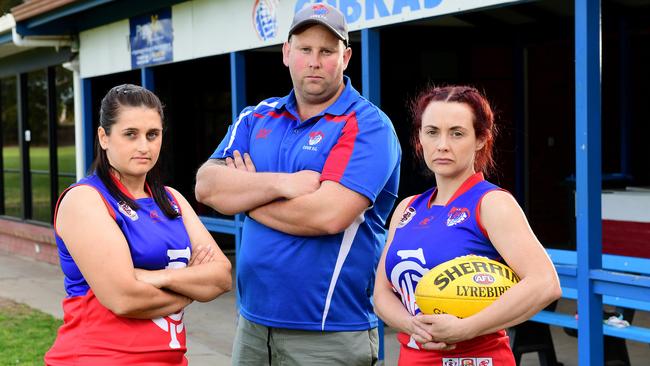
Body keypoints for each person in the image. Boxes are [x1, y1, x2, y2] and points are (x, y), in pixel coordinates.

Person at [195, 4, 401, 365]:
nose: (314, 61)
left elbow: (327, 216)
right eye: (305, 49)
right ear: (287, 53)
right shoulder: (256, 116)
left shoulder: (367, 125)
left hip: (329, 332)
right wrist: (285, 184)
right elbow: (207, 187)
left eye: (327, 51)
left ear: (346, 57)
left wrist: (244, 193)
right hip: (253, 325)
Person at [45, 84, 232, 365]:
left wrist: (158, 277)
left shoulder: (172, 199)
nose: (144, 146)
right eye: (130, 134)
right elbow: (124, 298)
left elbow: (221, 277)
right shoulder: (85, 200)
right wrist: (192, 287)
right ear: (104, 137)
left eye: (152, 135)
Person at [373, 85, 561, 365]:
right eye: (432, 132)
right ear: (419, 139)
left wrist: (465, 328)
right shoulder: (407, 208)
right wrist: (412, 325)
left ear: (481, 139)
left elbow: (545, 283)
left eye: (457, 133)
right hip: (412, 358)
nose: (442, 144)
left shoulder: (491, 203)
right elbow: (381, 293)